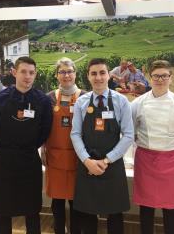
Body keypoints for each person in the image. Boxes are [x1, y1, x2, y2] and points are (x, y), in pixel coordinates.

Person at [0, 56, 53, 234]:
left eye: (31, 73)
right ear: (14, 72)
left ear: (35, 74)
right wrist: (7, 145)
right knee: (2, 210)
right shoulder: (1, 98)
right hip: (4, 159)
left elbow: (45, 130)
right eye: (23, 71)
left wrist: (28, 145)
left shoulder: (43, 101)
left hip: (29, 159)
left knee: (31, 211)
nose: (27, 76)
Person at [71, 58, 134, 234]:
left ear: (109, 75)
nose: (98, 77)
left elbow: (129, 135)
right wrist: (87, 160)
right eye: (94, 73)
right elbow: (75, 134)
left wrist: (107, 160)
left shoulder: (121, 101)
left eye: (102, 73)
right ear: (88, 77)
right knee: (88, 214)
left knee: (115, 214)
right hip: (87, 164)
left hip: (112, 165)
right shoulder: (81, 102)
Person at [131, 60, 174, 234]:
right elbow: (132, 132)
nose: (160, 79)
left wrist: (166, 145)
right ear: (150, 78)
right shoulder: (137, 103)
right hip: (145, 159)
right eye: (156, 76)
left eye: (164, 75)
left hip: (170, 160)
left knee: (170, 206)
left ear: (171, 78)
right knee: (146, 206)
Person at [41, 57, 84, 234]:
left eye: (69, 71)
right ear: (57, 75)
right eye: (62, 72)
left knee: (76, 202)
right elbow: (43, 126)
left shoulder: (85, 97)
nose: (66, 75)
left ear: (75, 74)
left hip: (78, 156)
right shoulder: (49, 98)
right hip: (55, 156)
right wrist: (42, 148)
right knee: (57, 201)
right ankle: (59, 229)